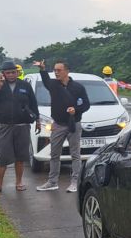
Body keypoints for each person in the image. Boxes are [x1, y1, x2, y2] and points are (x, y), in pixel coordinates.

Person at [33, 59, 89, 192]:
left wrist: (76, 109)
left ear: (66, 71)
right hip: (57, 124)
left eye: (59, 70)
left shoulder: (78, 87)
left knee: (75, 154)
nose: (56, 73)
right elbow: (46, 79)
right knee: (54, 154)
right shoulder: (53, 85)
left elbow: (86, 104)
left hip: (73, 124)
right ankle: (52, 182)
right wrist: (42, 69)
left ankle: (75, 182)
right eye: (55, 70)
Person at [0, 61, 40, 192]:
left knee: (20, 156)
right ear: (3, 74)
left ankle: (19, 182)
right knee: (2, 156)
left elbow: (33, 104)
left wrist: (37, 119)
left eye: (13, 72)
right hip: (4, 126)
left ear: (17, 72)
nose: (11, 75)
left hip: (22, 125)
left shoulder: (25, 85)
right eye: (8, 73)